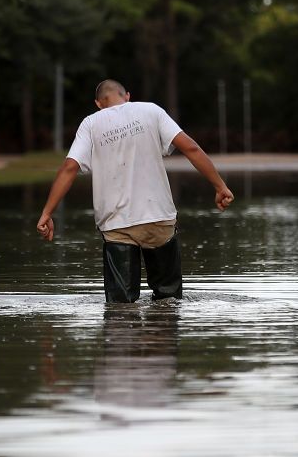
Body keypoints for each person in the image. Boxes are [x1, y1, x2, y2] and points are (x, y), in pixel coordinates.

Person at [36, 79, 234, 302]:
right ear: (127, 96)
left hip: (116, 224)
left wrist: (47, 212)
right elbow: (190, 147)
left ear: (98, 104)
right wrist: (220, 186)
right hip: (158, 217)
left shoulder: (91, 123)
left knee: (120, 308)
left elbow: (69, 167)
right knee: (168, 300)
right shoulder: (151, 110)